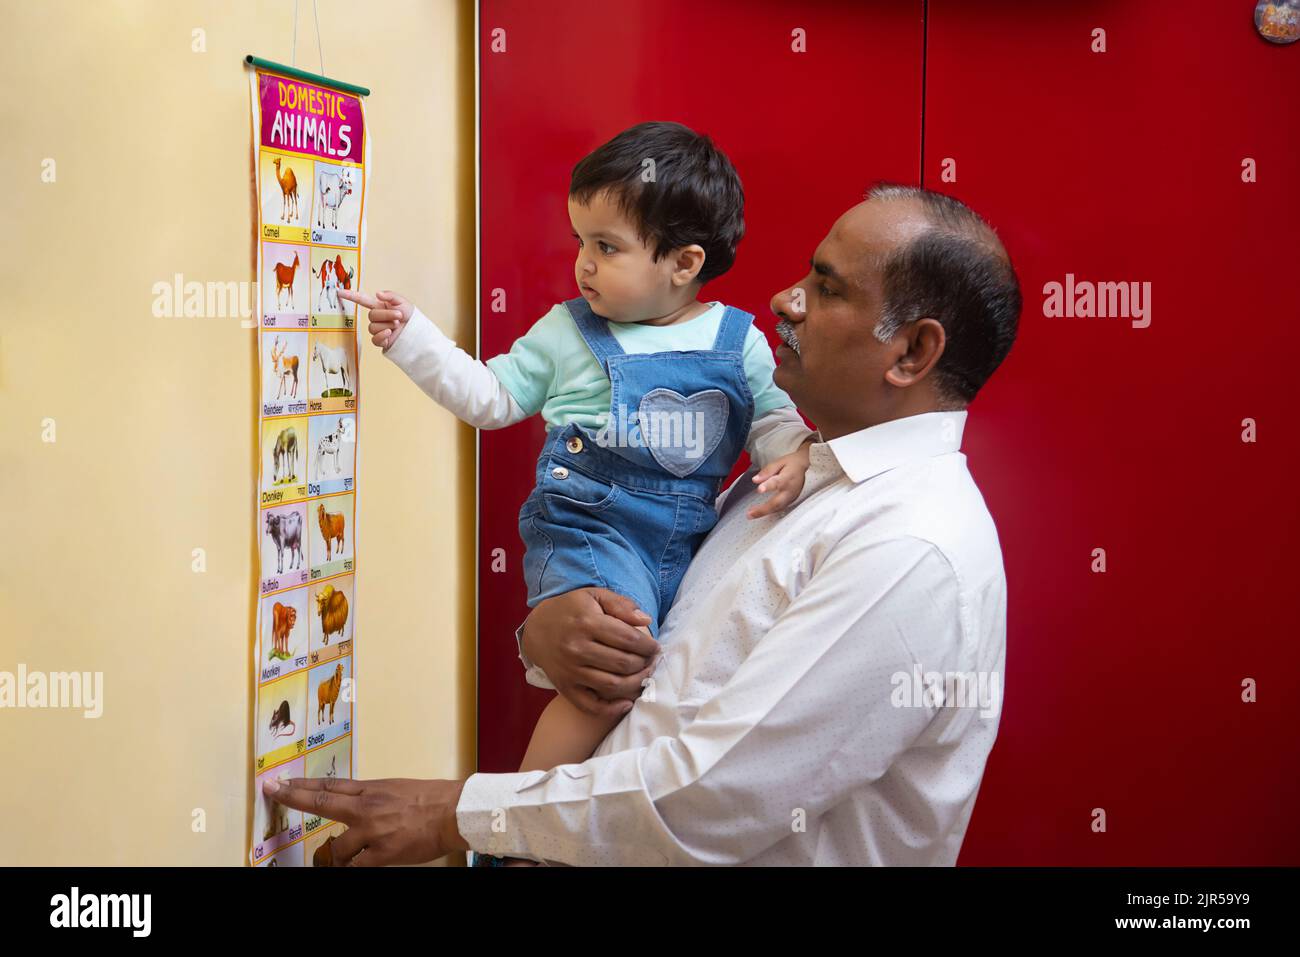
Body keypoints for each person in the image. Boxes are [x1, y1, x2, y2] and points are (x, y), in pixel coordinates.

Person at [270, 182, 1022, 866]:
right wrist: (551, 632)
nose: (787, 301)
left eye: (825, 288)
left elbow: (716, 794)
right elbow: (672, 656)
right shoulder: (795, 485)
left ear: (913, 350)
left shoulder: (910, 547)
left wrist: (456, 815)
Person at [340, 121, 815, 786]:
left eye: (607, 246)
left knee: (658, 687)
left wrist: (797, 453)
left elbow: (774, 419)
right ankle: (515, 825)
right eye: (581, 241)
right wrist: (415, 339)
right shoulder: (569, 331)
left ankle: (578, 822)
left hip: (683, 545)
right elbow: (493, 396)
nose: (583, 263)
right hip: (591, 526)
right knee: (607, 682)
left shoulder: (740, 343)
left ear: (683, 263)